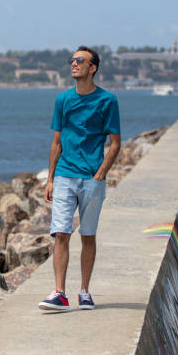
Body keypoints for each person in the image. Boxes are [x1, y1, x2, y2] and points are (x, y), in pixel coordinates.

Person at [38, 46, 121, 311]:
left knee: (88, 235)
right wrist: (50, 178)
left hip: (91, 179)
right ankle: (59, 293)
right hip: (64, 175)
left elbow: (116, 143)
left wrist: (101, 173)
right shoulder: (62, 100)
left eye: (80, 60)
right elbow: (56, 142)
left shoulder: (108, 101)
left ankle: (84, 291)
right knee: (60, 233)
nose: (73, 64)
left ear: (92, 67)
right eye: (72, 60)